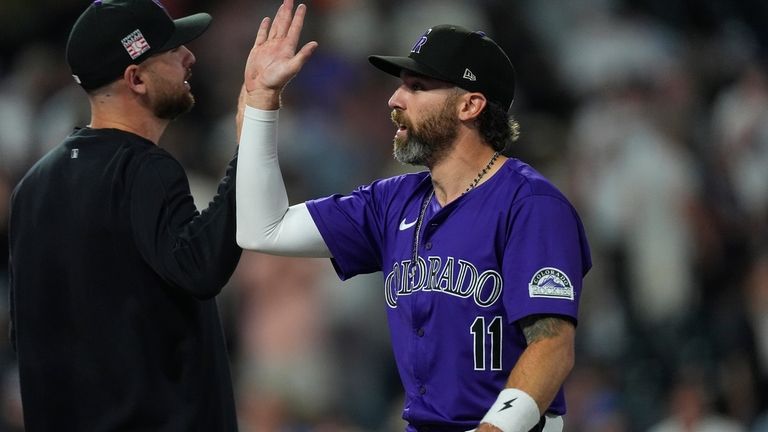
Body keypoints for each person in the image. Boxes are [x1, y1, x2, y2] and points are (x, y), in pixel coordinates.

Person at [235, 1, 591, 431]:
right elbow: (263, 229)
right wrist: (261, 100)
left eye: (418, 86)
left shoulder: (530, 204)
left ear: (470, 105)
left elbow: (552, 344)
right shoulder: (393, 200)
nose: (395, 98)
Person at [7, 0, 242, 430]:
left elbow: (26, 339)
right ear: (135, 78)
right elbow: (201, 267)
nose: (190, 56)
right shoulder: (142, 169)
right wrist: (251, 142)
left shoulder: (31, 188)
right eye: (172, 51)